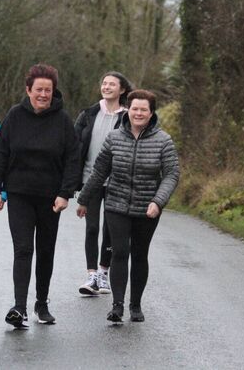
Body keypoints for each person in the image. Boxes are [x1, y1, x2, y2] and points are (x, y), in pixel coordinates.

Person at [77, 89, 180, 324]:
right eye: (135, 108)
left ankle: (136, 305)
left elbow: (172, 175)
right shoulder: (114, 137)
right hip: (116, 203)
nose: (139, 113)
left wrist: (158, 201)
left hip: (148, 208)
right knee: (120, 252)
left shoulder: (163, 140)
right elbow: (99, 171)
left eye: (144, 109)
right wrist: (84, 199)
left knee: (140, 254)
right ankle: (117, 306)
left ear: (151, 113)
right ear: (128, 110)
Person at [0, 63, 80, 327]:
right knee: (23, 249)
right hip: (19, 193)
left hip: (51, 198)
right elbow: (0, 152)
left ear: (53, 92)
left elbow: (73, 158)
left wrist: (66, 193)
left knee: (46, 250)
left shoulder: (63, 121)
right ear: (28, 90)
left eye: (48, 90)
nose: (43, 94)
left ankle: (41, 303)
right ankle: (19, 307)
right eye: (38, 89)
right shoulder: (15, 115)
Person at [74, 71, 132, 296]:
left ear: (122, 90)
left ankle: (103, 273)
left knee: (110, 229)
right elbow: (76, 147)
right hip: (91, 179)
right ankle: (91, 275)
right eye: (104, 83)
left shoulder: (127, 117)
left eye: (112, 84)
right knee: (91, 227)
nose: (106, 87)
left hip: (117, 182)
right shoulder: (88, 114)